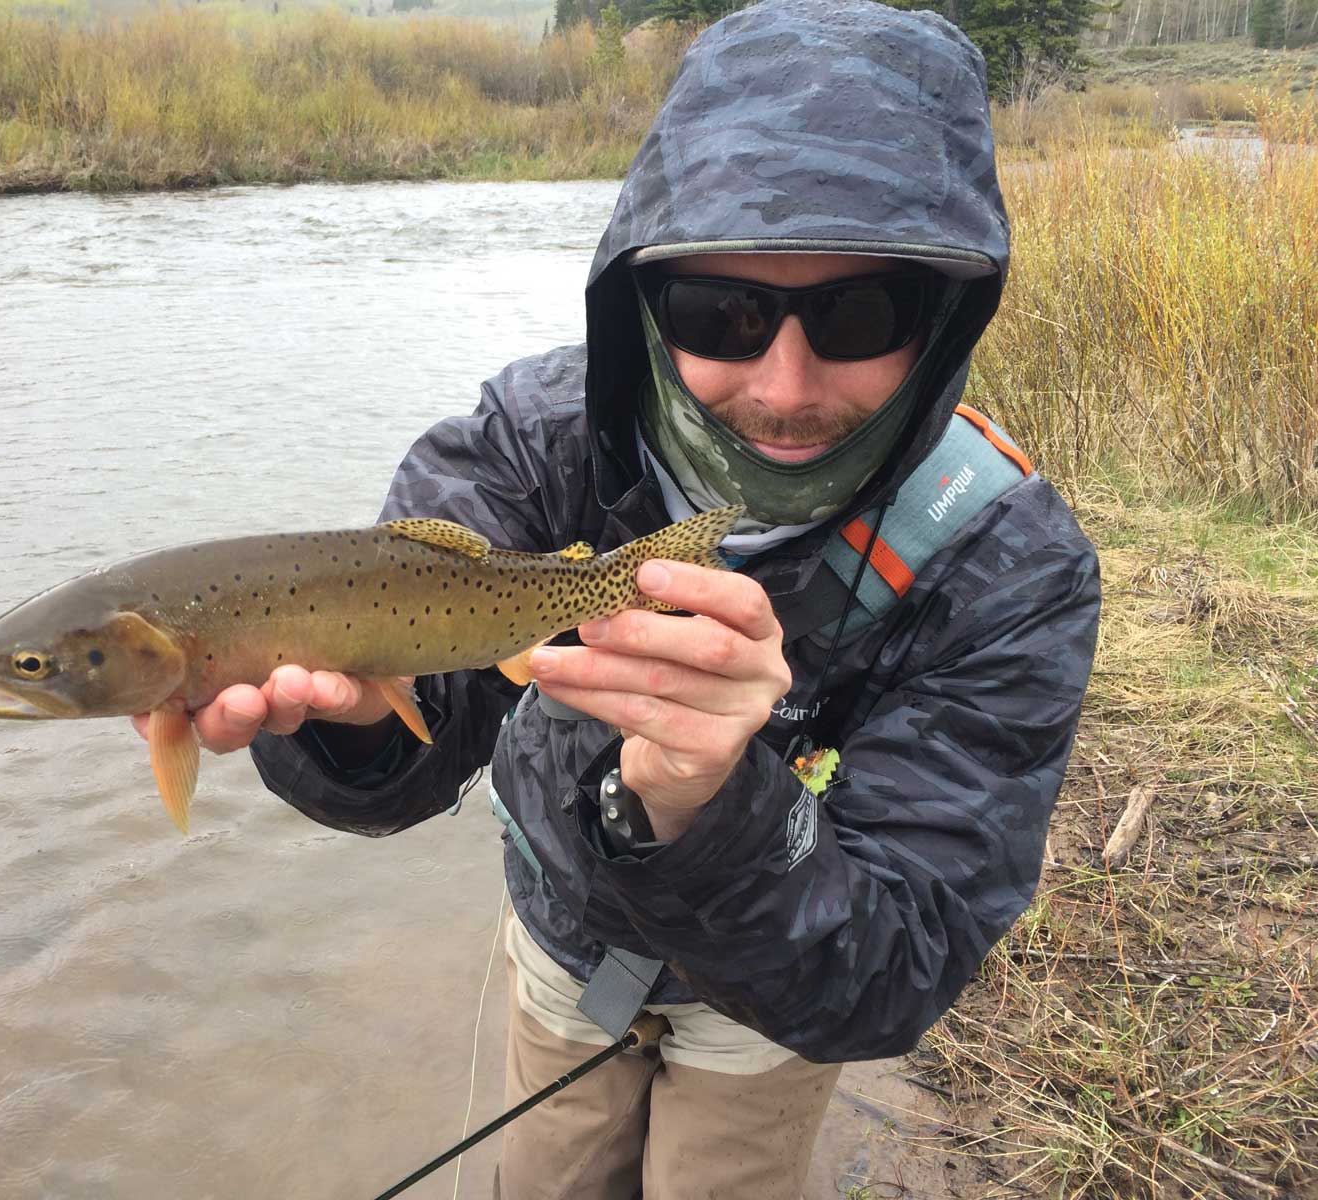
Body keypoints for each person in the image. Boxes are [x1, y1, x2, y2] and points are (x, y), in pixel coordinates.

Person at [140, 0, 1101, 1193]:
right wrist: (352, 724)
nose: (785, 384)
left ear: (944, 316)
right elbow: (419, 744)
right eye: (724, 314)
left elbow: (897, 966)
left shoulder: (1006, 563)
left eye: (861, 314)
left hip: (773, 1012)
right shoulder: (529, 445)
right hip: (560, 951)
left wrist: (712, 804)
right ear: (643, 303)